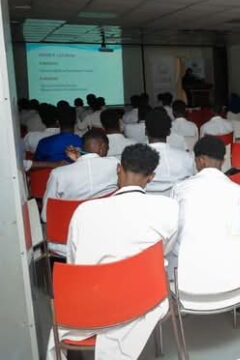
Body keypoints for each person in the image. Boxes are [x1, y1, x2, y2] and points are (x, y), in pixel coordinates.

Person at [46, 144, 178, 360]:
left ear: (119, 169)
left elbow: (74, 264)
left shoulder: (84, 212)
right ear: (151, 177)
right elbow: (164, 249)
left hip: (94, 304)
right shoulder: (168, 207)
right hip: (145, 299)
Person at [169, 136, 240, 312]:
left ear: (200, 160)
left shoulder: (180, 190)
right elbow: (239, 230)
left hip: (188, 278)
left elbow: (175, 231)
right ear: (223, 161)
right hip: (228, 275)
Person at [42, 129, 119, 224]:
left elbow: (46, 216)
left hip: (71, 229)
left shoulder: (57, 174)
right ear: (102, 147)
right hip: (108, 223)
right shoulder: (115, 164)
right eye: (108, 148)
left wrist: (79, 160)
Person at [145, 108, 195, 194]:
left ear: (146, 131)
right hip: (177, 201)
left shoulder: (134, 161)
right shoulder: (187, 158)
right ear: (169, 132)